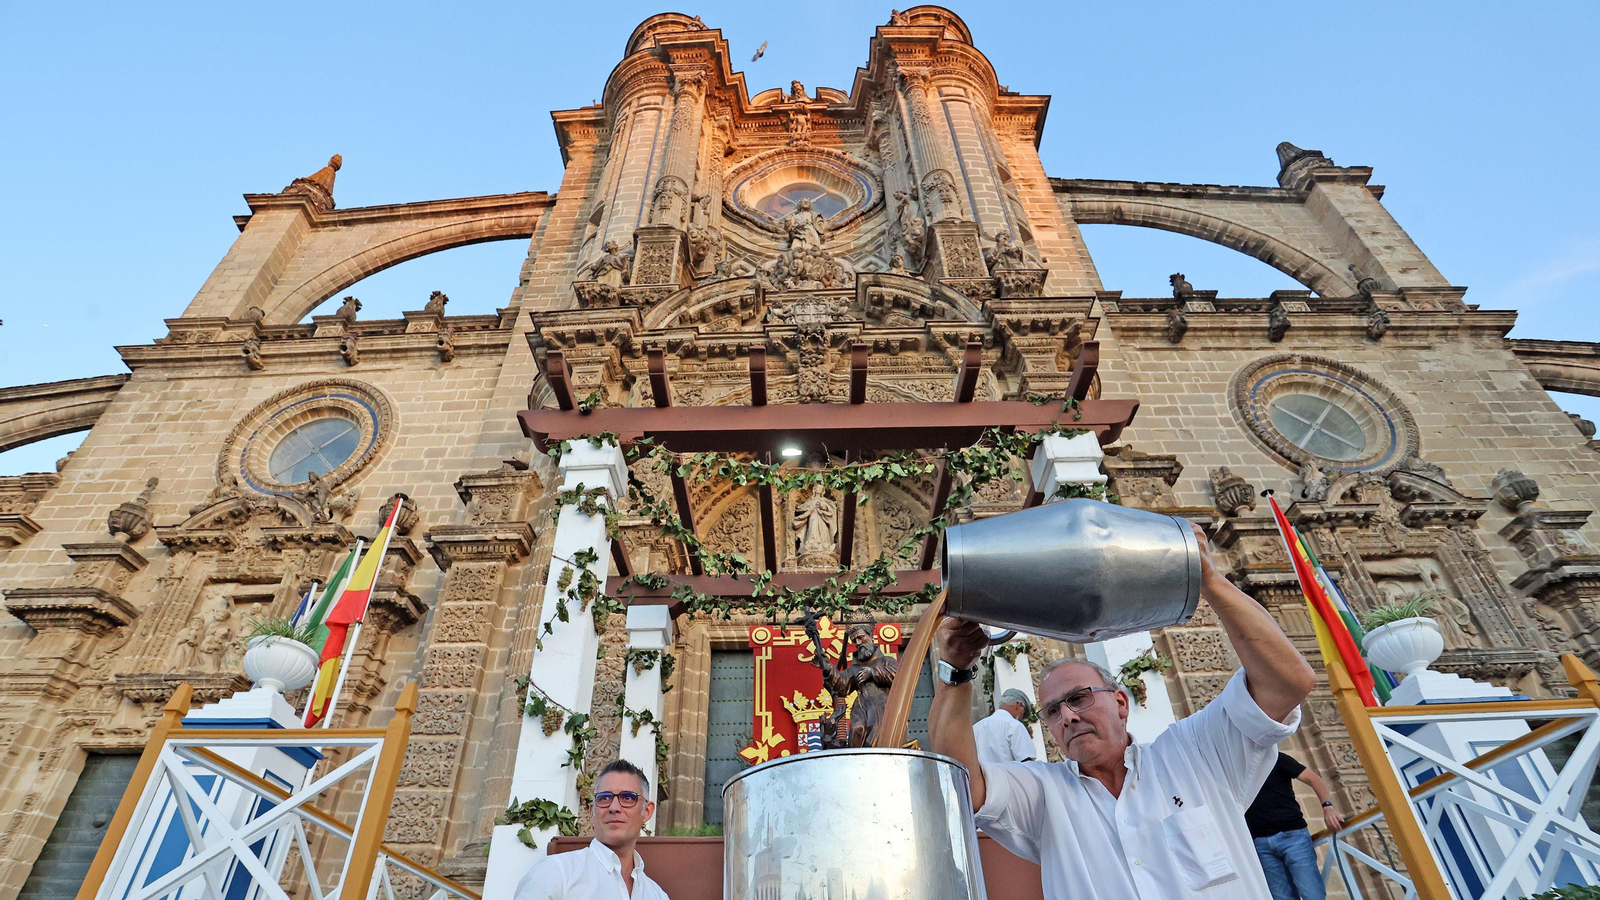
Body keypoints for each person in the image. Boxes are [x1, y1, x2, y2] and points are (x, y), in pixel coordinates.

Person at [930, 522, 1316, 900]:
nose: (1067, 717)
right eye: (1051, 711)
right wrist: (955, 670)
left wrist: (1209, 582)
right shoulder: (1045, 794)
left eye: (1079, 697)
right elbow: (961, 782)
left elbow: (1287, 684)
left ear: (1120, 703)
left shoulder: (1195, 754)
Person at [513, 759, 669, 900]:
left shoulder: (657, 895)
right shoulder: (557, 873)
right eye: (604, 798)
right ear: (592, 811)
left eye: (627, 798)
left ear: (647, 812)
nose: (614, 808)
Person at [1246, 753, 1345, 900]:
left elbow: (1313, 779)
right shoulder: (1234, 768)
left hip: (1292, 836)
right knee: (1282, 897)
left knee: (1312, 894)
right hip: (1260, 843)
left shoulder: (1274, 757)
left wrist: (1328, 806)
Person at [973, 688, 1037, 764]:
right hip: (1006, 775)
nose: (1021, 718)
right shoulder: (1014, 726)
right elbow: (1027, 763)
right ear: (1018, 705)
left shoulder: (975, 728)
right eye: (1024, 711)